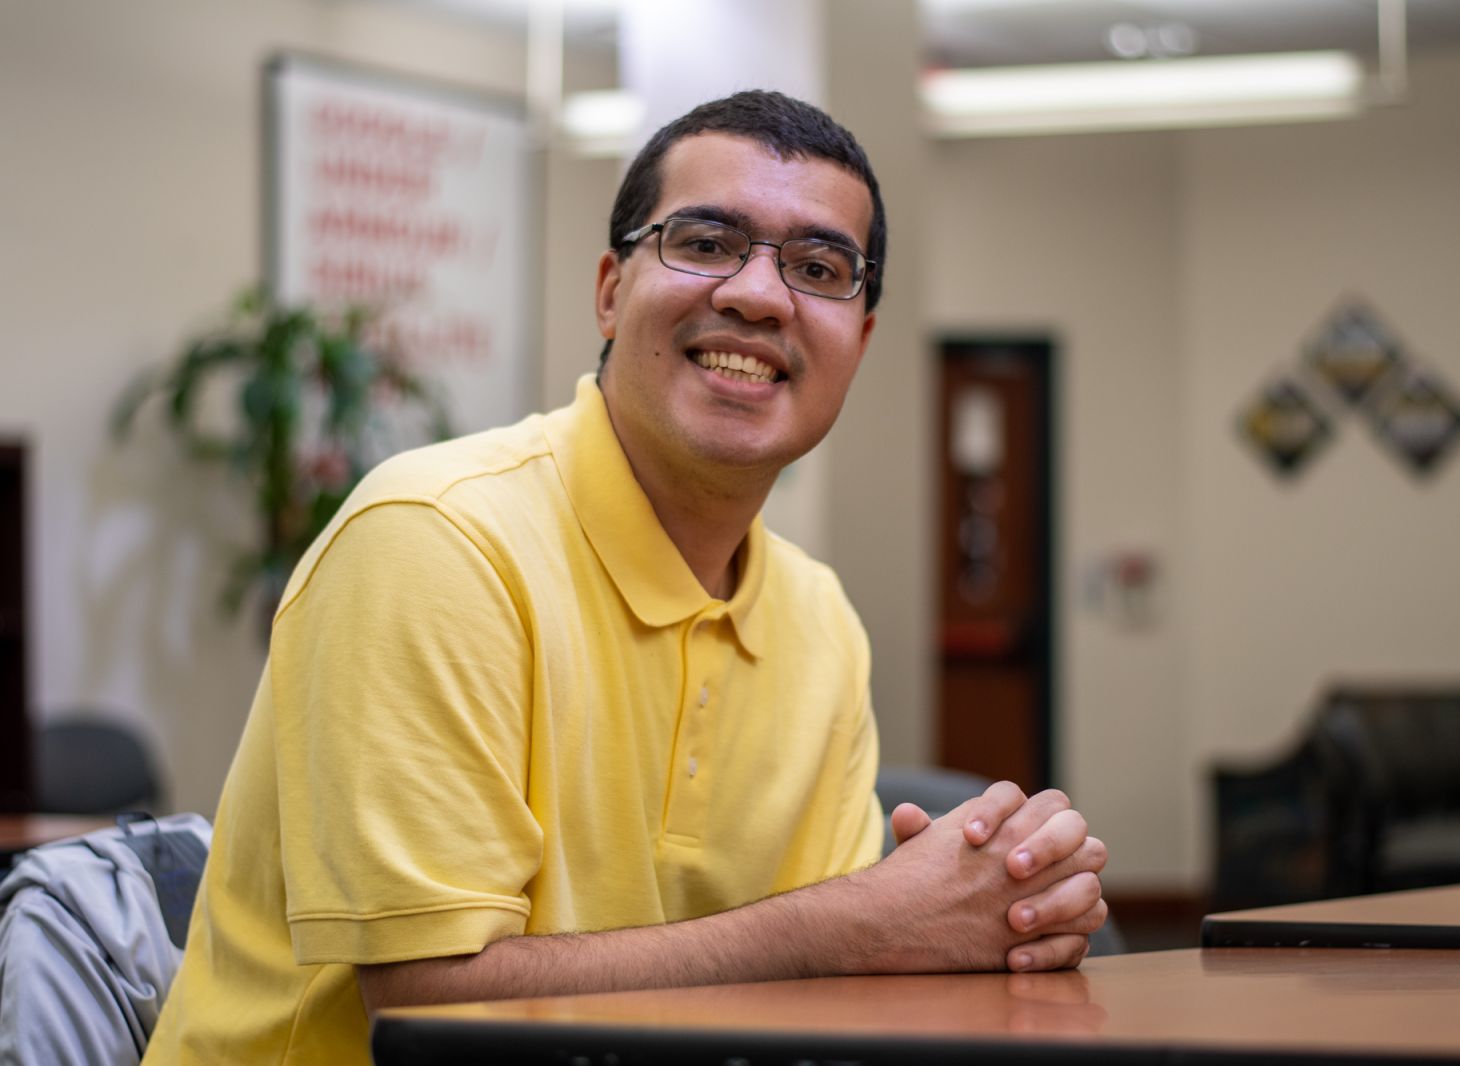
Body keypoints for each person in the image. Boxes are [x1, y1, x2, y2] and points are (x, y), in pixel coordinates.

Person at [144, 90, 1106, 1065]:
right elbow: (433, 1001)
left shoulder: (819, 619)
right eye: (705, 241)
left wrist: (1004, 904)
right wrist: (868, 923)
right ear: (609, 290)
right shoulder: (435, 539)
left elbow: (821, 987)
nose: (759, 296)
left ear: (857, 339)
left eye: (819, 268)